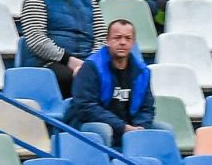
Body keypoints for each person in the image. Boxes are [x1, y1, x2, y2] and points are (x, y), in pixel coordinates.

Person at [63, 16, 159, 145]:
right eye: (117, 37)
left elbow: (147, 107)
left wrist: (141, 126)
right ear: (107, 41)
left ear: (133, 43)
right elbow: (86, 107)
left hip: (128, 125)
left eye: (128, 38)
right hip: (89, 123)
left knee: (164, 129)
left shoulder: (142, 71)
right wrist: (122, 127)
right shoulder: (92, 67)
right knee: (104, 130)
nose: (123, 42)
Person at [18, 0, 107, 92]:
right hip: (48, 63)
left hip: (87, 61)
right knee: (69, 77)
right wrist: (69, 60)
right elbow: (36, 40)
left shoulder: (88, 0)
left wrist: (90, 63)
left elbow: (101, 37)